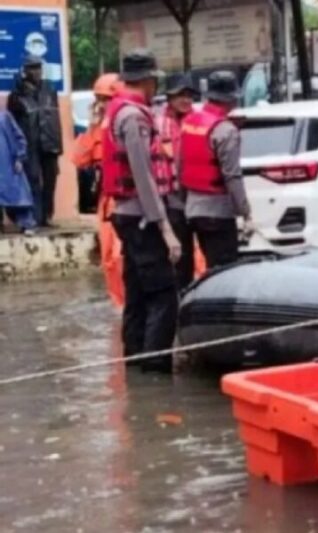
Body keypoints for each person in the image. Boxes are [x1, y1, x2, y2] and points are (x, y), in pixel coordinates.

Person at [103, 49, 181, 373]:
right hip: (140, 217)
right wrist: (166, 230)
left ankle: (135, 362)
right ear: (147, 81)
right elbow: (143, 176)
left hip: (126, 214)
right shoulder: (134, 117)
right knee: (164, 293)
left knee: (136, 291)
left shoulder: (116, 111)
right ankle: (155, 367)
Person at [181, 70, 253, 268]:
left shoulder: (189, 122)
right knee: (224, 270)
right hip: (218, 213)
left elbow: (181, 165)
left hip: (192, 209)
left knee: (207, 264)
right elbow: (232, 177)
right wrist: (245, 213)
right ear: (230, 99)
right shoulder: (225, 130)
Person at [71, 73, 124, 307]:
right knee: (108, 258)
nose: (103, 104)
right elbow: (79, 159)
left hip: (125, 200)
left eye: (107, 98)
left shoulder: (127, 124)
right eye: (99, 99)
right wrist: (93, 125)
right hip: (105, 202)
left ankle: (130, 304)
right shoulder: (97, 130)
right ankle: (119, 306)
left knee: (120, 256)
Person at [7, 54, 63, 227]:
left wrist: (58, 145)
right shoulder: (17, 95)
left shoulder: (49, 89)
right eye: (32, 68)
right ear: (25, 71)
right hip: (30, 144)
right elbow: (12, 125)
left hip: (49, 142)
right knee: (32, 180)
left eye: (38, 67)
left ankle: (46, 216)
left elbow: (55, 117)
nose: (36, 71)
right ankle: (35, 217)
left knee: (50, 179)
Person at [155, 74, 199, 289]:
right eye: (181, 95)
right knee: (177, 257)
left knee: (194, 257)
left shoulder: (197, 121)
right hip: (170, 198)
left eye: (189, 95)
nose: (186, 100)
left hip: (196, 197)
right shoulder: (158, 123)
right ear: (170, 97)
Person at [0, 110, 36, 235]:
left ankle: (27, 224)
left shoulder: (4, 117)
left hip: (7, 164)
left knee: (18, 195)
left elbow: (18, 137)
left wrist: (19, 157)